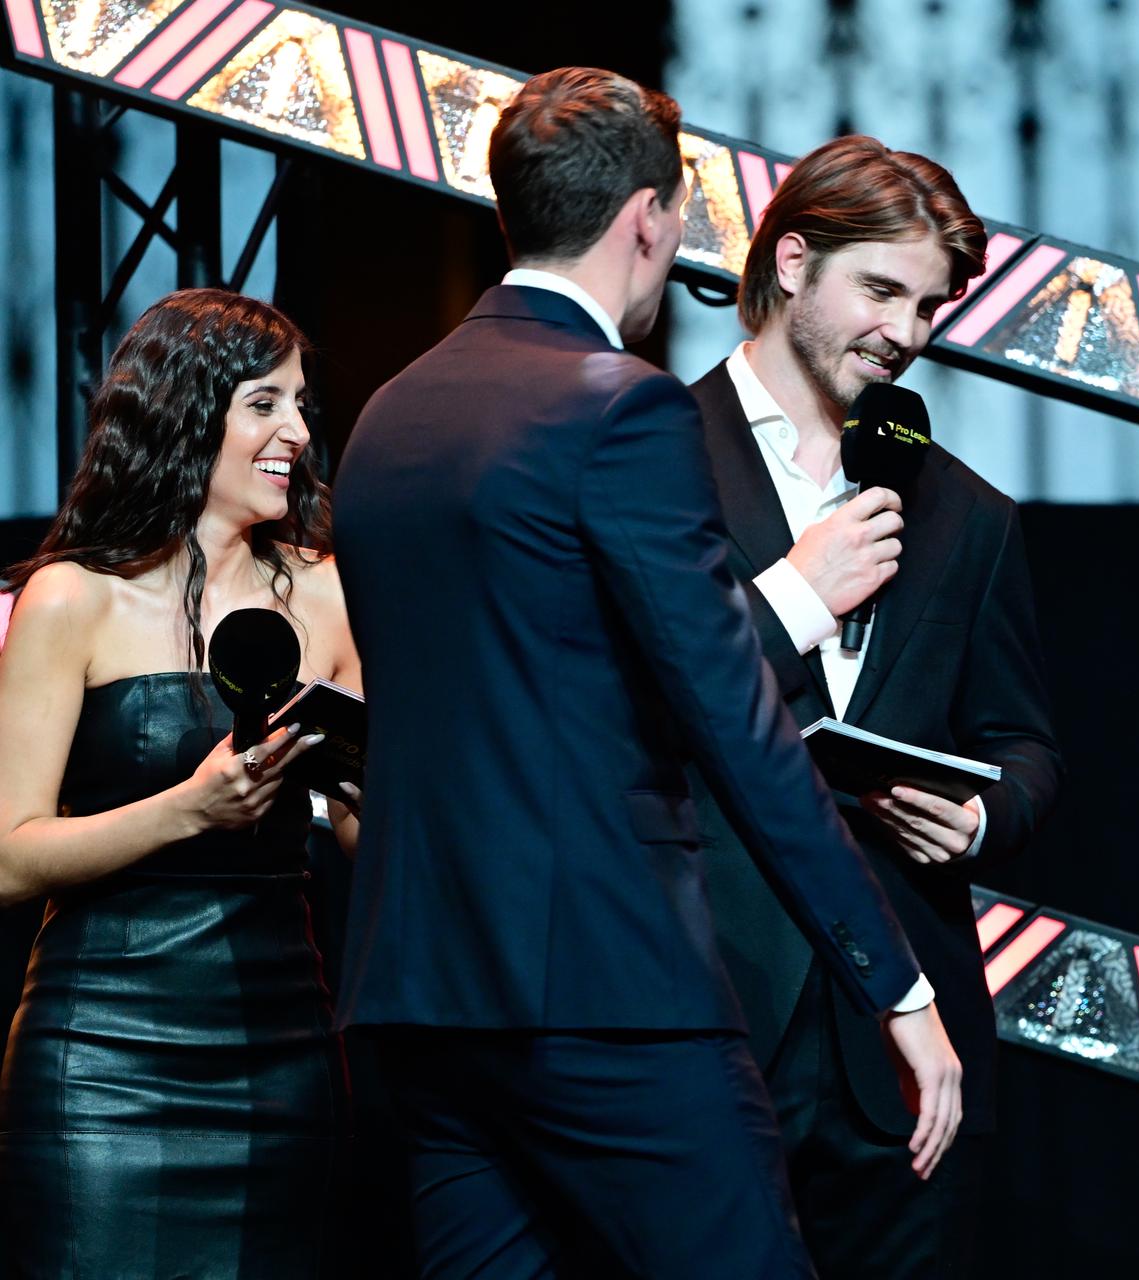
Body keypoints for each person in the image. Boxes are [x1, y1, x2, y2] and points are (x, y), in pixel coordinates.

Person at [329, 68, 963, 1278]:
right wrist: (896, 985)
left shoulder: (391, 414)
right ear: (647, 218)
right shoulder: (622, 410)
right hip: (604, 985)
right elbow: (733, 719)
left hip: (419, 989)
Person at [688, 134, 1062, 1279]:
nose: (906, 330)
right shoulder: (648, 456)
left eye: (931, 304)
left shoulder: (968, 512)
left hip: (907, 1039)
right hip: (706, 1003)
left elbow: (1025, 740)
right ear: (793, 262)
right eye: (882, 289)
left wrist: (986, 816)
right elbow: (609, 705)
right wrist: (790, 594)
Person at [0, 288, 358, 1277]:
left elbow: (363, 837)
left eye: (299, 404)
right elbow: (7, 854)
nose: (295, 429)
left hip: (285, 1046)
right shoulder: (71, 597)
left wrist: (378, 784)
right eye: (264, 403)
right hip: (104, 1062)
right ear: (189, 410)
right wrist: (189, 807)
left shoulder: (325, 590)